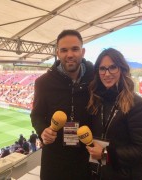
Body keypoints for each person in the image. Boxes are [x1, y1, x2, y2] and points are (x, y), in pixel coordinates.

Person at [30, 29, 94, 180]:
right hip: (54, 161)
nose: (70, 54)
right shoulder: (43, 82)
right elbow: (36, 115)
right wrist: (42, 131)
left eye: (75, 49)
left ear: (83, 52)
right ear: (57, 53)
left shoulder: (94, 79)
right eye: (64, 50)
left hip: (85, 159)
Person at [86, 48, 142, 180]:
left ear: (121, 69)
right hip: (99, 174)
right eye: (102, 68)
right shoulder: (97, 101)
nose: (107, 73)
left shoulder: (138, 105)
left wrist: (106, 154)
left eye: (113, 67)